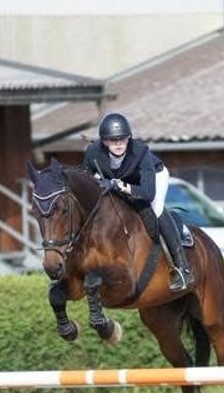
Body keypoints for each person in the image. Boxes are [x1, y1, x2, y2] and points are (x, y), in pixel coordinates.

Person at [82, 111, 194, 291]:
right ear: (104, 141)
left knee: (156, 210)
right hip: (120, 181)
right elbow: (85, 182)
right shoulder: (93, 153)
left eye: (123, 139)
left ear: (129, 138)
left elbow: (148, 193)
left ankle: (182, 267)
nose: (118, 143)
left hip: (152, 179)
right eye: (113, 140)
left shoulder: (141, 152)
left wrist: (120, 186)